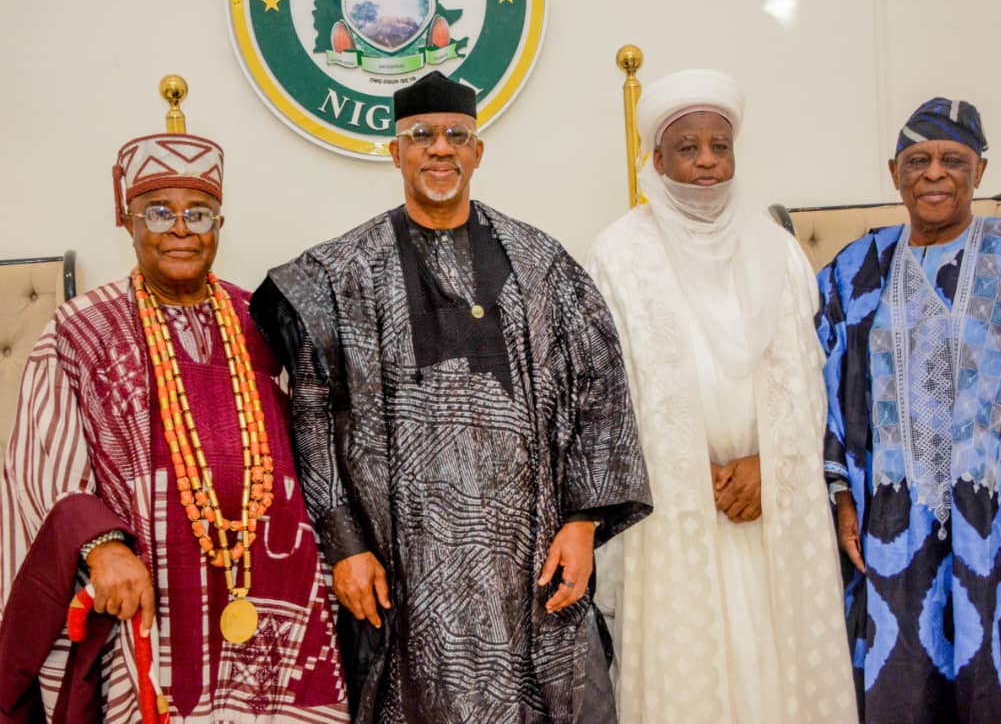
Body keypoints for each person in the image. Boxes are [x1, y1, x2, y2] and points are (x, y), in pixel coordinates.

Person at [248, 70, 652, 723]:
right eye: (422, 135)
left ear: (477, 151)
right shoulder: (343, 273)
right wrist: (345, 542)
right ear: (396, 151)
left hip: (532, 570)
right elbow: (312, 413)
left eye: (456, 135)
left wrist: (582, 525)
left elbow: (600, 393)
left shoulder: (541, 262)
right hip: (404, 576)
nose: (440, 148)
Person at [0, 95, 348, 720]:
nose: (181, 229)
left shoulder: (265, 318)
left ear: (220, 223)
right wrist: (102, 547)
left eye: (200, 213)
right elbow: (39, 465)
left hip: (276, 584)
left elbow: (320, 442)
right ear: (128, 222)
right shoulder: (80, 328)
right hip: (151, 591)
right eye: (158, 213)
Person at [588, 68, 857, 723]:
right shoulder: (619, 254)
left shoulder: (778, 250)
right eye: (688, 147)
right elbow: (604, 398)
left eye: (720, 145)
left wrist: (772, 463)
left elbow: (808, 383)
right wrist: (685, 471)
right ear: (656, 158)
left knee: (780, 670)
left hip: (772, 505)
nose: (707, 160)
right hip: (673, 514)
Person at [817, 97, 1001, 723]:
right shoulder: (854, 270)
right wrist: (841, 496)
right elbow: (823, 386)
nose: (934, 174)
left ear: (980, 172)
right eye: (918, 160)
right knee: (899, 688)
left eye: (952, 160)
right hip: (889, 531)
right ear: (894, 172)